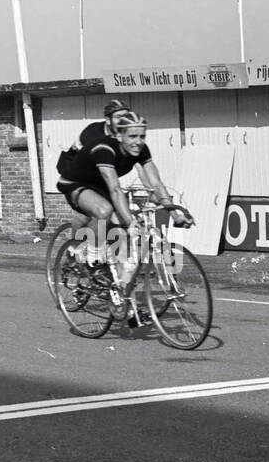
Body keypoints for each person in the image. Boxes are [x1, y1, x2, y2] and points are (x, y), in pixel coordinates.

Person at [56, 108, 192, 318]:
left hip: (101, 187)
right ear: (118, 136)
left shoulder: (141, 150)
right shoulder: (104, 149)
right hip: (76, 183)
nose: (138, 141)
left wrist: (174, 213)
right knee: (104, 210)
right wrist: (129, 221)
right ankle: (89, 254)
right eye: (132, 136)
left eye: (142, 136)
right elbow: (115, 188)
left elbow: (156, 182)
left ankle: (118, 296)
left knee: (128, 244)